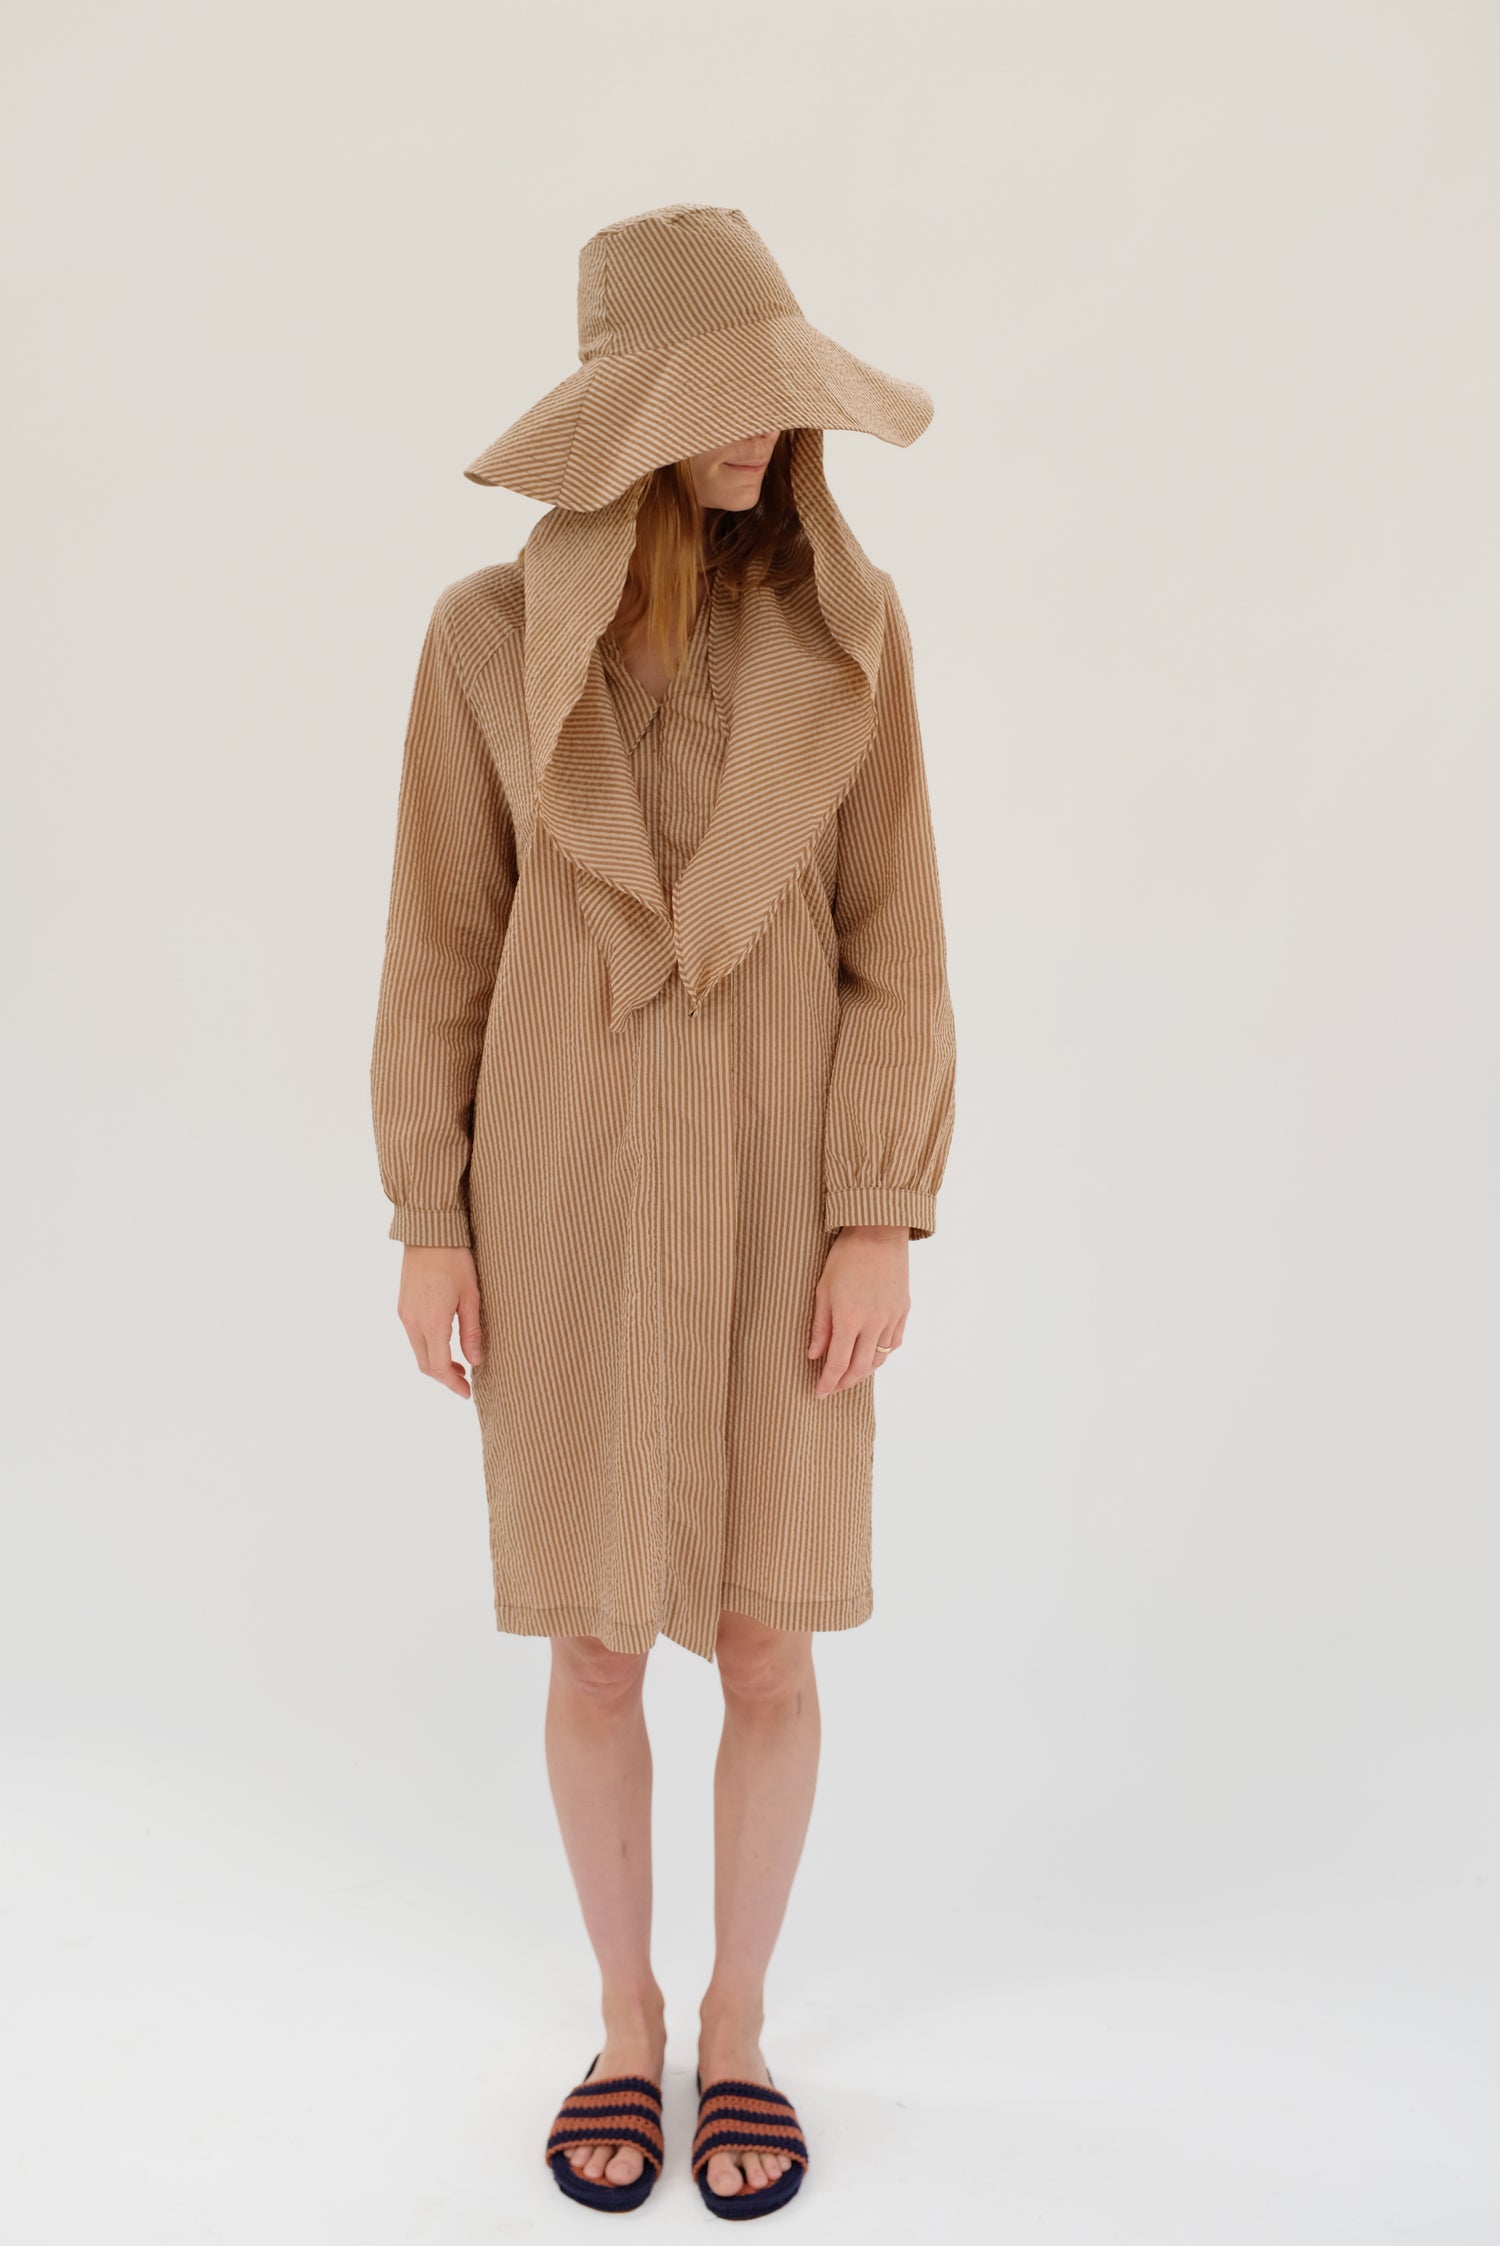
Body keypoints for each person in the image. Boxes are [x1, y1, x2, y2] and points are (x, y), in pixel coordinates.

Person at [370, 204, 956, 2217]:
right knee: (601, 1641)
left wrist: (878, 1208)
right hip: (566, 1193)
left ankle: (744, 2023)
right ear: (628, 416)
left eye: (773, 398)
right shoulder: (481, 641)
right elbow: (440, 944)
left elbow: (900, 947)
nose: (759, 433)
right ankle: (627, 2021)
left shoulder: (851, 640)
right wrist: (430, 1212)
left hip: (789, 1202)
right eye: (720, 399)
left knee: (768, 1635)